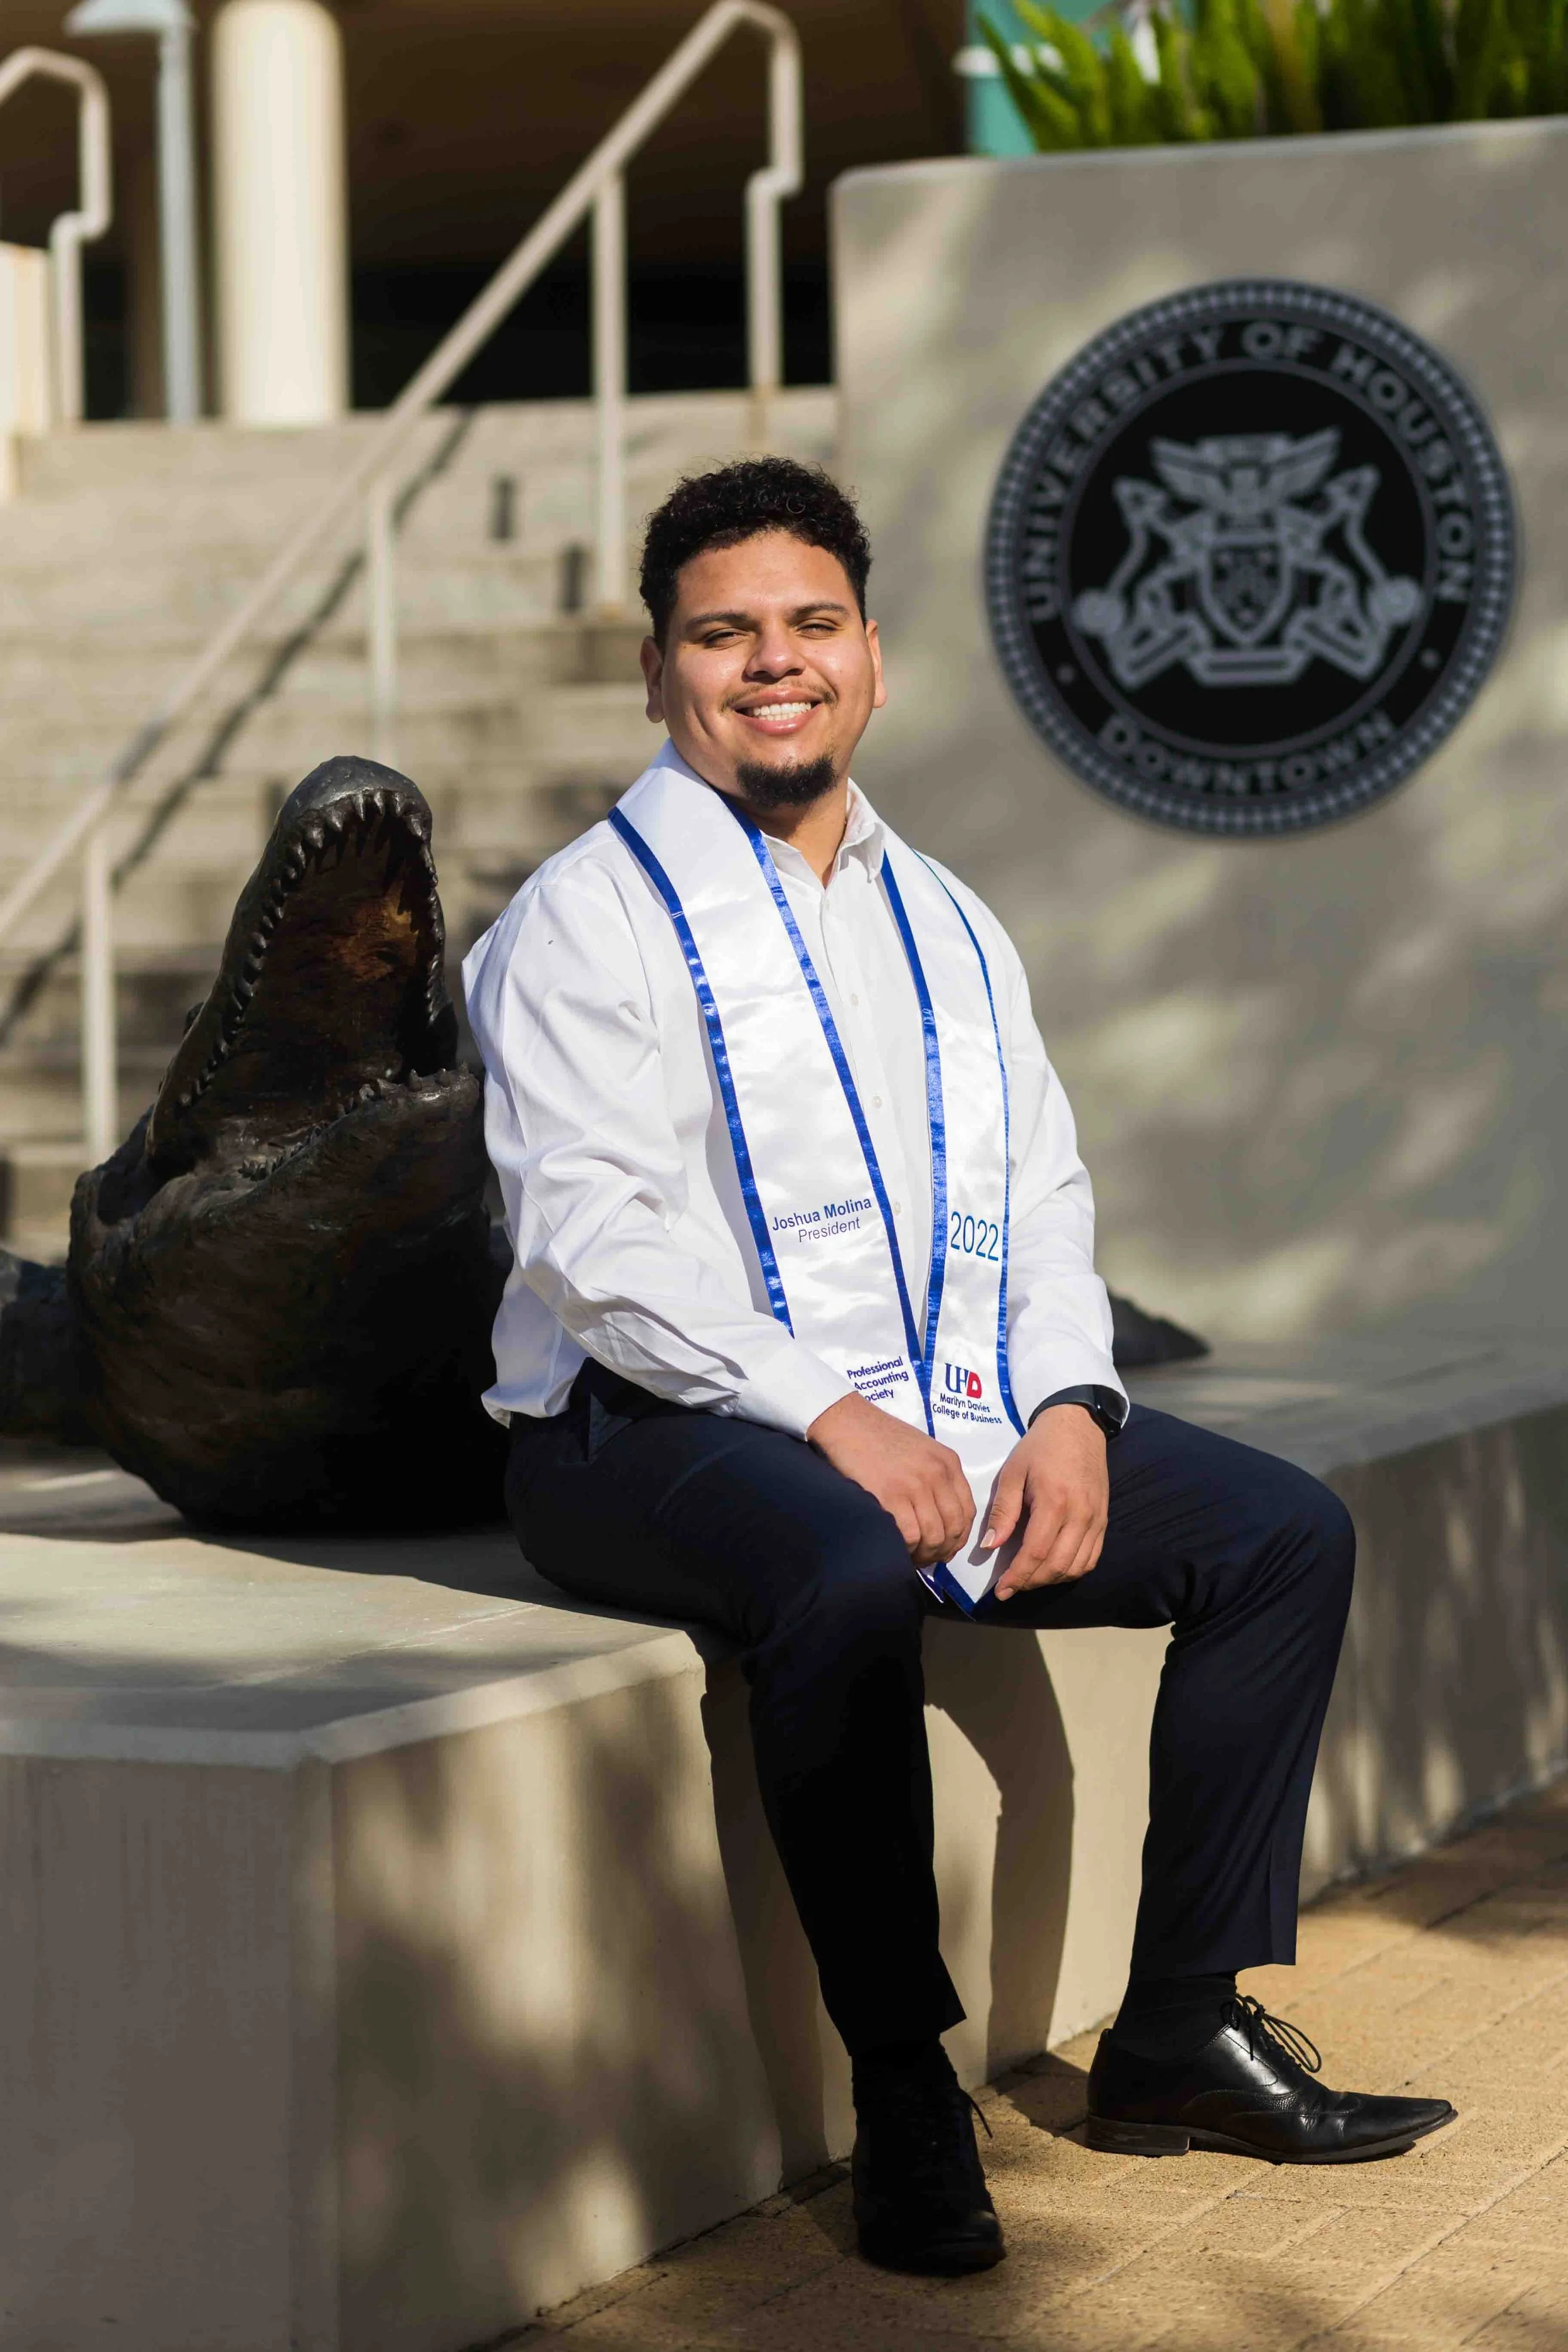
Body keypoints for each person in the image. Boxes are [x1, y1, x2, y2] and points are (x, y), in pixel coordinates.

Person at [462, 458, 1454, 2277]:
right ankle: (904, 2080)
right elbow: (591, 1248)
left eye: (809, 624)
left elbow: (1043, 1191)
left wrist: (1071, 1404)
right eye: (724, 631)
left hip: (942, 1396)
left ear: (870, 660)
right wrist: (832, 1418)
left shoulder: (950, 923)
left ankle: (1176, 2025)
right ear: (660, 668)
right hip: (639, 1424)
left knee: (1277, 1533)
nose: (774, 661)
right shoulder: (579, 921)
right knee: (838, 1569)